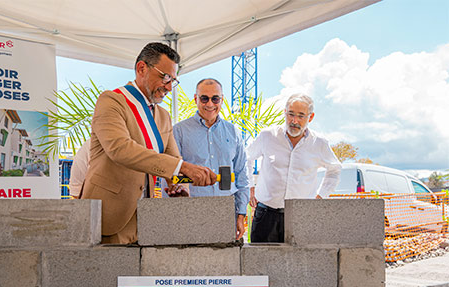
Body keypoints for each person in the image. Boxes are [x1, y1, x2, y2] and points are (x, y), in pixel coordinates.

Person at [81, 42, 216, 244]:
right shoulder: (111, 101)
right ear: (142, 68)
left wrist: (178, 183)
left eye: (174, 80)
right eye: (166, 77)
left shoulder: (163, 116)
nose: (169, 87)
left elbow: (173, 159)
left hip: (149, 218)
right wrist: (182, 167)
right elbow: (120, 149)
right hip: (110, 215)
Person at [247, 93, 341, 243]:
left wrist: (320, 196)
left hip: (301, 216)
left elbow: (334, 170)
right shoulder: (267, 136)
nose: (294, 121)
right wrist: (250, 186)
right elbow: (247, 158)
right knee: (261, 263)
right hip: (265, 215)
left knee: (300, 264)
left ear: (310, 117)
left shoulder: (319, 144)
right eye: (291, 114)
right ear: (285, 112)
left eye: (301, 116)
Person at [173, 78, 249, 240]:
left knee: (225, 262)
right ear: (195, 99)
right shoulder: (179, 131)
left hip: (226, 211)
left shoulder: (233, 132)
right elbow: (173, 175)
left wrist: (241, 214)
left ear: (222, 100)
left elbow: (242, 176)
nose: (210, 104)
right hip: (191, 211)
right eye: (204, 98)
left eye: (215, 99)